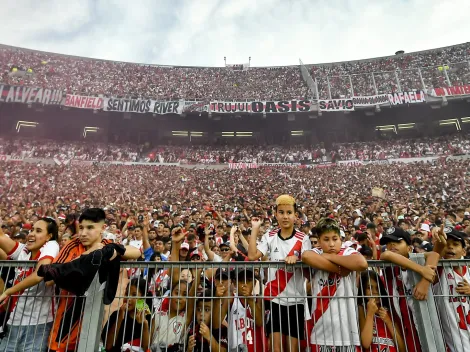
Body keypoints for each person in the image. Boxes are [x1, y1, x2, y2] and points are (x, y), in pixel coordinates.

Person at [48, 208, 141, 352]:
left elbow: (136, 252)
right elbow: (51, 277)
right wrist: (89, 254)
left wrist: (114, 249)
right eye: (81, 228)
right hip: (67, 319)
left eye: (90, 228)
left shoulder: (107, 244)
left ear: (103, 228)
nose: (83, 233)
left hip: (92, 319)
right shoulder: (72, 245)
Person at [248, 195, 311, 352]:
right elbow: (252, 255)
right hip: (274, 298)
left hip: (296, 300)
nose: (285, 216)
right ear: (275, 214)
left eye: (289, 212)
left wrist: (298, 257)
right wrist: (255, 229)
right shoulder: (269, 236)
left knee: (292, 347)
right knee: (274, 347)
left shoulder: (303, 239)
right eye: (281, 212)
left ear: (295, 215)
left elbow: (309, 265)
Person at [302, 217, 368, 351]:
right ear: (319, 241)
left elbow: (362, 263)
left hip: (348, 332)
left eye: (335, 239)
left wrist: (330, 257)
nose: (331, 244)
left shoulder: (347, 251)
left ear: (341, 239)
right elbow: (306, 256)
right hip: (321, 331)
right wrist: (340, 269)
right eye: (326, 240)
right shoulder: (316, 253)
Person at [0, 217, 60, 352]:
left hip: (38, 324)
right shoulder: (23, 251)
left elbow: (40, 273)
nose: (31, 233)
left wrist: (9, 291)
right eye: (32, 229)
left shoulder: (51, 245)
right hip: (13, 322)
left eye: (38, 231)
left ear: (49, 236)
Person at [379, 226, 439, 352]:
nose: (392, 245)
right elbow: (386, 254)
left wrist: (424, 282)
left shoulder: (419, 259)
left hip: (423, 323)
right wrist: (422, 270)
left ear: (409, 247)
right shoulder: (389, 268)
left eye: (398, 242)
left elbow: (434, 254)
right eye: (389, 243)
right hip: (403, 326)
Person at [432, 226, 470, 352]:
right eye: (446, 244)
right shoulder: (438, 270)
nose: (450, 247)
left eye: (455, 244)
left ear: (464, 251)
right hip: (453, 341)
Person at [358, 271, 406, 352]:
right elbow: (366, 343)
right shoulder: (362, 310)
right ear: (363, 289)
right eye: (369, 288)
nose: (375, 292)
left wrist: (388, 321)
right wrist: (370, 314)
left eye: (377, 288)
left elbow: (402, 349)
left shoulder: (389, 311)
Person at [102, 278, 151, 352]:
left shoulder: (147, 318)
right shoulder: (116, 315)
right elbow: (108, 346)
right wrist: (120, 318)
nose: (128, 298)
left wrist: (144, 326)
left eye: (134, 295)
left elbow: (146, 348)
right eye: (127, 293)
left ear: (142, 297)